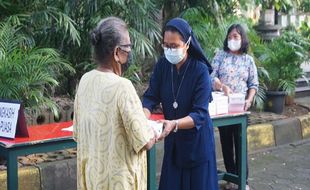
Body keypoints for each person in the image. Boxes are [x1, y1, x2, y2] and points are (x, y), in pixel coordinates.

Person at [73, 17, 156, 190]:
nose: (130, 51)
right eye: (128, 47)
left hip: (92, 177)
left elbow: (78, 133)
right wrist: (156, 131)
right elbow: (144, 141)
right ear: (117, 52)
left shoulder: (85, 80)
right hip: (118, 182)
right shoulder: (122, 86)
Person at [143, 17, 218, 190]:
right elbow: (150, 97)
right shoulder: (163, 65)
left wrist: (174, 124)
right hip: (174, 143)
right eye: (166, 45)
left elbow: (199, 114)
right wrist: (143, 118)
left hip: (197, 143)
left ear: (187, 44)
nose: (169, 50)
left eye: (174, 46)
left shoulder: (200, 71)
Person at [211, 24, 259, 190]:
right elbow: (211, 76)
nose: (232, 40)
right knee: (226, 142)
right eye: (230, 37)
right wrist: (221, 86)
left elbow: (254, 84)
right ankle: (231, 177)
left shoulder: (248, 60)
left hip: (241, 108)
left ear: (242, 39)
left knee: (240, 143)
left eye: (236, 37)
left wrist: (249, 99)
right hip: (223, 107)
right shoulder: (220, 56)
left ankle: (243, 181)